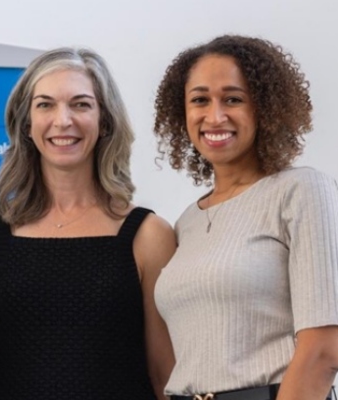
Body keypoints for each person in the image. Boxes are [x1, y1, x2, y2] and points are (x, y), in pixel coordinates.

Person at [0, 47, 176, 400]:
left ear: (105, 121)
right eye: (45, 105)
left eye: (81, 104)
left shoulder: (149, 235)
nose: (63, 120)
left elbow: (165, 372)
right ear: (26, 124)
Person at [153, 34, 338, 400]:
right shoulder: (186, 222)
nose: (215, 116)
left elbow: (324, 350)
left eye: (233, 99)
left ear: (265, 109)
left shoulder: (302, 190)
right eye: (200, 100)